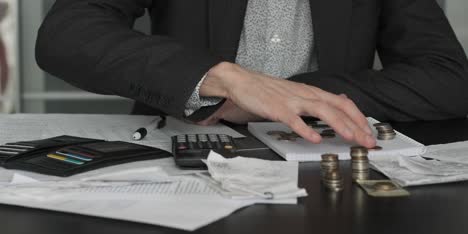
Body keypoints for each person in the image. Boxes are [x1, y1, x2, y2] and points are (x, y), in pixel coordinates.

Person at [36, 0, 468, 148]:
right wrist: (220, 79)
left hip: (327, 165)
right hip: (178, 161)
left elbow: (449, 77)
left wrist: (293, 95)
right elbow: (66, 33)